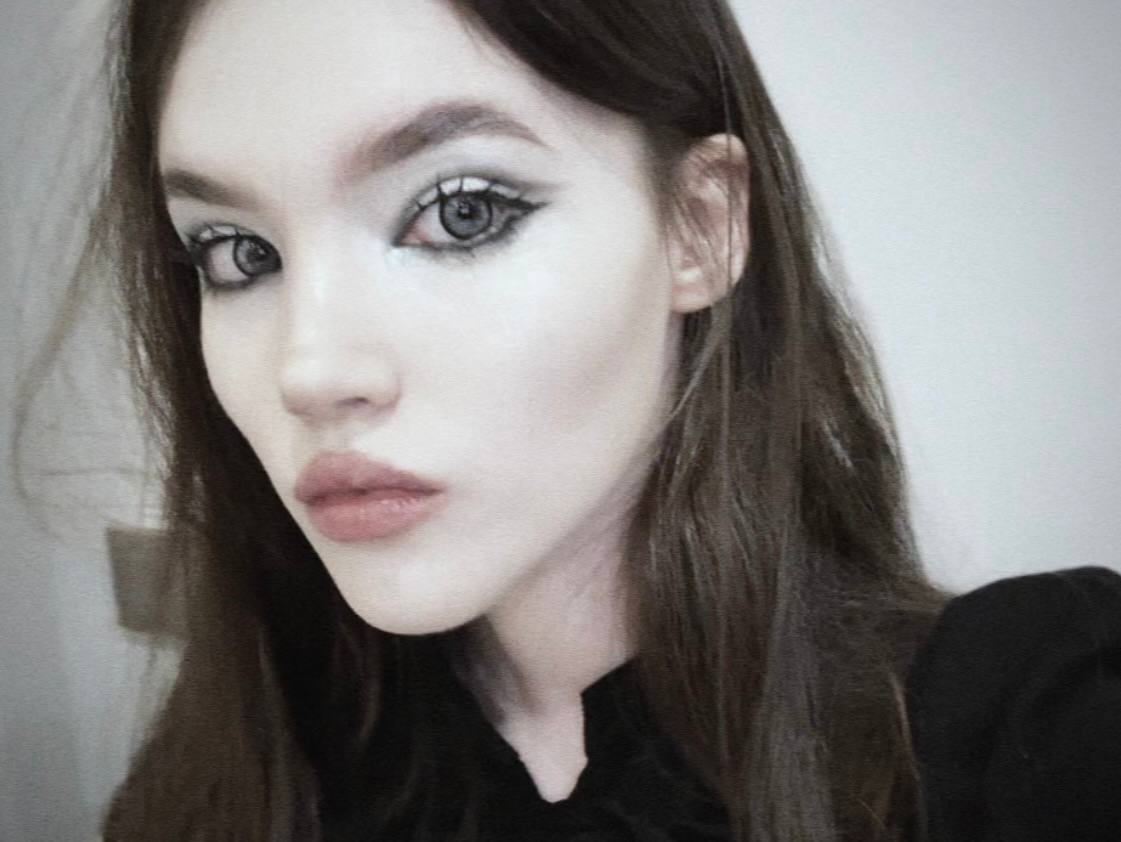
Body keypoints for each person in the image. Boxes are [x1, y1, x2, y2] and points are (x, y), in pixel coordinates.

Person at [80, 0, 1120, 840]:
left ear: (698, 226)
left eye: (460, 212)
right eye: (237, 253)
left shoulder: (1028, 725)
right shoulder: (218, 784)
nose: (308, 371)